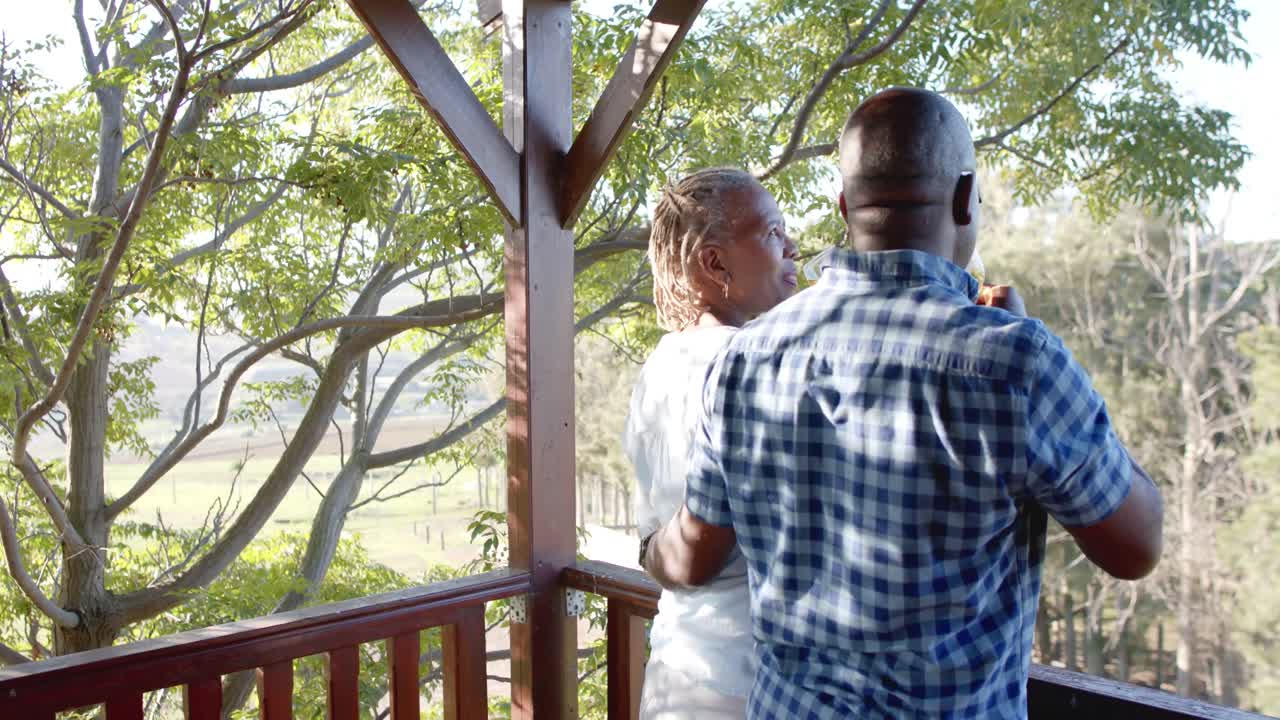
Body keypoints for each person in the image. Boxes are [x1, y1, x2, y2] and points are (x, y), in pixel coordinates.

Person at [641, 88, 1163, 718]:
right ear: (965, 196)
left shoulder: (745, 359)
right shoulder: (1013, 362)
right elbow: (1136, 546)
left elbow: (698, 545)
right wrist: (1039, 368)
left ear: (844, 206)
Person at [624, 167, 799, 719]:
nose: (792, 246)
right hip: (745, 682)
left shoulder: (660, 363)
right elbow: (699, 551)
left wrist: (650, 549)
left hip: (680, 669)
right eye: (772, 232)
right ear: (714, 262)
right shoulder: (750, 363)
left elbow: (667, 541)